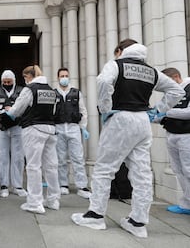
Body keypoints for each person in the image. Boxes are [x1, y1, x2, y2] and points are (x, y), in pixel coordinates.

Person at [71, 39, 185, 238]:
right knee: (142, 172)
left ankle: (96, 215)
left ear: (120, 50)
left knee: (105, 168)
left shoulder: (116, 65)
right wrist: (157, 111)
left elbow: (103, 81)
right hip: (142, 121)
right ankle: (138, 221)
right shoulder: (151, 71)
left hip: (121, 118)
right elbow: (177, 90)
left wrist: (105, 109)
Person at [5, 65, 60, 214]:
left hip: (34, 129)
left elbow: (17, 110)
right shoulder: (51, 90)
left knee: (33, 166)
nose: (24, 80)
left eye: (25, 77)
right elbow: (54, 111)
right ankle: (53, 199)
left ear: (29, 76)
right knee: (51, 166)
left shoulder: (29, 89)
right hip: (50, 129)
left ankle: (35, 202)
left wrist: (10, 111)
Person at [0, 70, 27, 198]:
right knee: (2, 156)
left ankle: (17, 185)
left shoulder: (22, 91)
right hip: (1, 126)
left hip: (17, 126)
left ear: (14, 81)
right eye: (4, 82)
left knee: (18, 156)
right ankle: (3, 185)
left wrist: (13, 110)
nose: (7, 83)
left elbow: (27, 105)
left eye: (9, 82)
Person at [156, 67, 190, 215]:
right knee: (178, 170)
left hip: (186, 134)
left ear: (176, 76)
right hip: (171, 133)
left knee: (188, 169)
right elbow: (161, 112)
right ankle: (186, 203)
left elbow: (188, 112)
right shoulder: (170, 92)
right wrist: (152, 116)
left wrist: (166, 113)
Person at [54, 67, 91, 199]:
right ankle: (63, 184)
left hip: (73, 127)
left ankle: (82, 186)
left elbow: (83, 110)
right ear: (58, 78)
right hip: (58, 128)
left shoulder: (76, 93)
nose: (64, 78)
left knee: (78, 157)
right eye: (62, 76)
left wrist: (84, 127)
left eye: (66, 75)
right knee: (61, 158)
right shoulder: (53, 94)